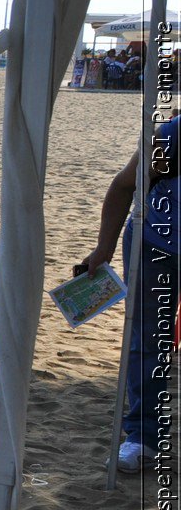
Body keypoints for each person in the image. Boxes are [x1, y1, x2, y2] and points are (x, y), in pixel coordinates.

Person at [78, 115, 177, 473]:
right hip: (156, 243)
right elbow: (124, 186)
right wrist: (104, 247)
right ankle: (142, 437)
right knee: (149, 339)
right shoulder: (170, 135)